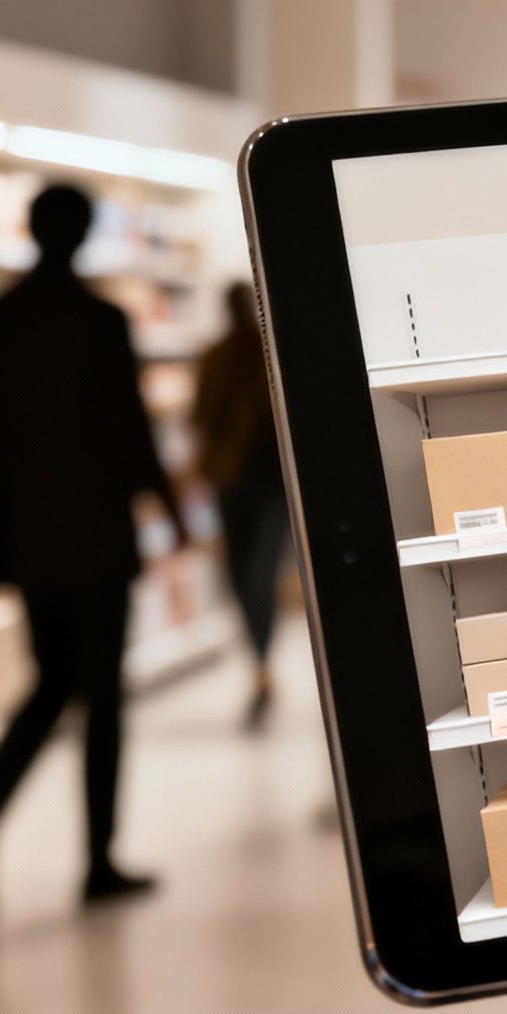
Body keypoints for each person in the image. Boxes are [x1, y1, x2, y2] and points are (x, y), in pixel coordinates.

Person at [0, 184, 185, 915]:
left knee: (52, 680)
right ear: (83, 235)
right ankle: (98, 862)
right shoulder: (100, 320)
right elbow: (129, 430)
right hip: (97, 532)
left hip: (29, 534)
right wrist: (169, 511)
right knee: (102, 697)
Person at [193, 282, 291, 730]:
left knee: (251, 576)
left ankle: (262, 666)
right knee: (250, 576)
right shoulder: (248, 355)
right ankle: (260, 663)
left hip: (250, 482)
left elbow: (200, 418)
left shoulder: (241, 355)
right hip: (250, 482)